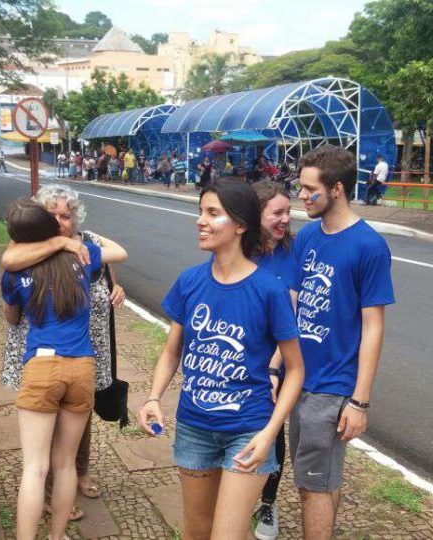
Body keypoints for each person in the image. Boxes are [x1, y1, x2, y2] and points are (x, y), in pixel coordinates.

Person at [138, 179, 305, 540]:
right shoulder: (189, 282)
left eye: (213, 213)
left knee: (226, 535)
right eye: (201, 212)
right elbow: (172, 351)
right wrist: (153, 397)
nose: (200, 221)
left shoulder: (269, 290)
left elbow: (295, 370)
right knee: (197, 530)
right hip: (194, 426)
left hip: (248, 430)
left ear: (241, 224)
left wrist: (270, 433)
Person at [1, 199, 128, 540]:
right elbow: (120, 252)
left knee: (35, 467)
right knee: (65, 464)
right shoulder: (81, 257)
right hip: (81, 367)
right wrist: (72, 240)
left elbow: (12, 318)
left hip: (41, 367)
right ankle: (57, 536)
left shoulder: (15, 270)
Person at [291, 145, 395, 539]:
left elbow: (373, 327)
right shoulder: (307, 238)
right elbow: (294, 306)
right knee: (319, 481)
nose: (302, 196)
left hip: (333, 388)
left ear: (336, 189)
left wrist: (359, 401)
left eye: (309, 189)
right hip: (300, 380)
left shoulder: (368, 246)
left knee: (313, 486)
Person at [249, 180, 297, 540]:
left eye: (288, 211)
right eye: (277, 212)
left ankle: (267, 502)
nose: (285, 218)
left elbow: (291, 317)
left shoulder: (292, 253)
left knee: (272, 429)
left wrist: (273, 367)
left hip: (277, 360)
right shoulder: (239, 250)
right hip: (238, 355)